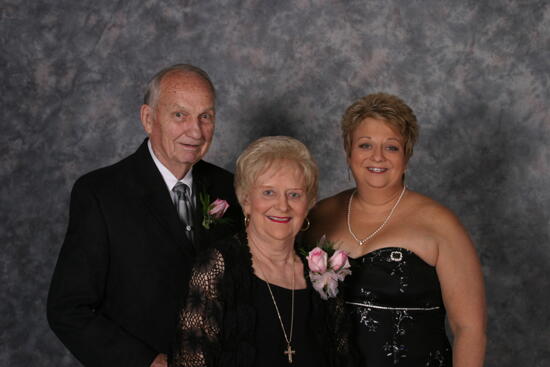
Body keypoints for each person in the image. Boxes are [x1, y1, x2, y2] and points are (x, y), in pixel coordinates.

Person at [47, 64, 242, 367]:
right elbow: (68, 309)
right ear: (148, 119)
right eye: (180, 115)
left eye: (206, 116)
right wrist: (147, 363)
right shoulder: (100, 193)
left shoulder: (231, 188)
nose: (196, 130)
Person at [305, 93, 486, 367]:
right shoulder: (319, 215)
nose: (377, 157)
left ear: (407, 155)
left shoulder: (440, 224)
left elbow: (470, 330)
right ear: (348, 151)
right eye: (365, 145)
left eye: (391, 147)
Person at [170, 136, 354, 367]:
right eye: (269, 192)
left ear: (308, 204)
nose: (282, 205)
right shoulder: (217, 265)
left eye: (294, 194)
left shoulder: (323, 271)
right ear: (246, 200)